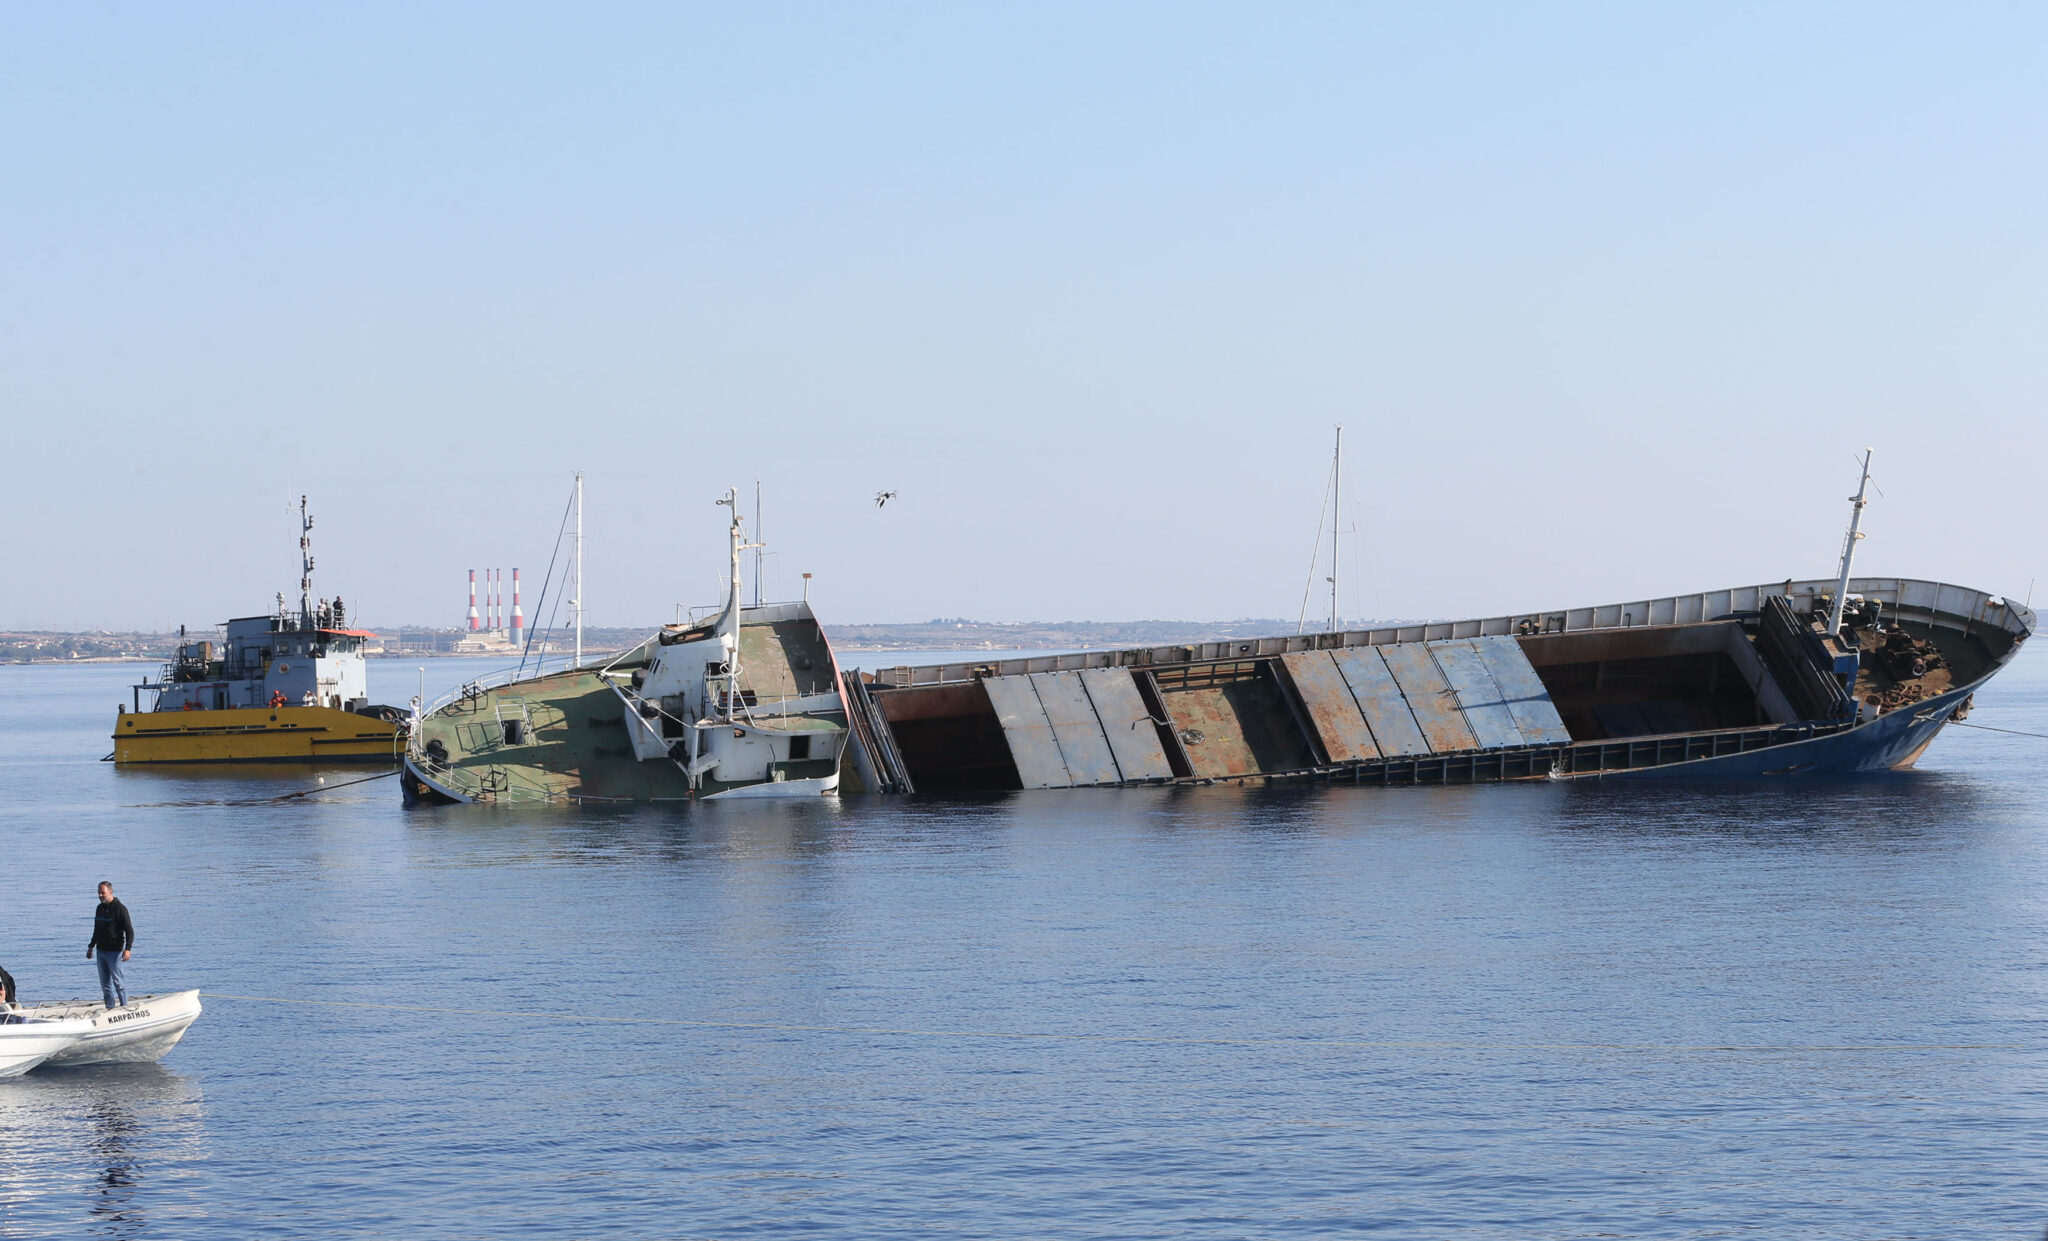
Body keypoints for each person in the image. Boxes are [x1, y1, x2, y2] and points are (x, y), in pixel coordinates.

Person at [85, 881, 134, 1009]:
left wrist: (127, 949)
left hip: (115, 952)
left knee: (118, 982)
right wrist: (91, 946)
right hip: (101, 951)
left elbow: (129, 930)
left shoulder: (120, 909)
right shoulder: (99, 908)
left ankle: (124, 1008)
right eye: (99, 893)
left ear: (110, 892)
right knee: (105, 984)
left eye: (103, 893)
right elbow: (96, 929)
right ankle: (110, 1008)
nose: (100, 895)